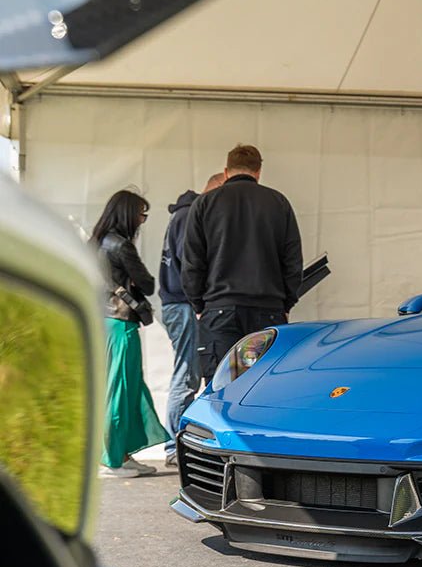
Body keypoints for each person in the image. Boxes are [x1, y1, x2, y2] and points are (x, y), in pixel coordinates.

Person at [182, 145, 303, 380]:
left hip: (220, 310)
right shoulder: (278, 203)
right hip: (267, 311)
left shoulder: (204, 204)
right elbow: (292, 261)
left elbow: (191, 263)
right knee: (261, 386)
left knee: (223, 385)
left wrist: (199, 305)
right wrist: (286, 303)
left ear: (226, 171)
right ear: (258, 171)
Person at [92, 190, 169, 477]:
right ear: (128, 214)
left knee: (124, 389)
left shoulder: (96, 243)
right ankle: (111, 460)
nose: (142, 220)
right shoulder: (121, 246)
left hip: (104, 322)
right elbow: (147, 285)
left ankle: (121, 454)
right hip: (121, 323)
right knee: (122, 391)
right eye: (141, 214)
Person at [158, 173, 224, 467]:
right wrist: (201, 301)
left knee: (189, 373)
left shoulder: (184, 214)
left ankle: (178, 444)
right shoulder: (191, 215)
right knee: (187, 375)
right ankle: (174, 446)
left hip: (178, 304)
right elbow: (191, 265)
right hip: (183, 305)